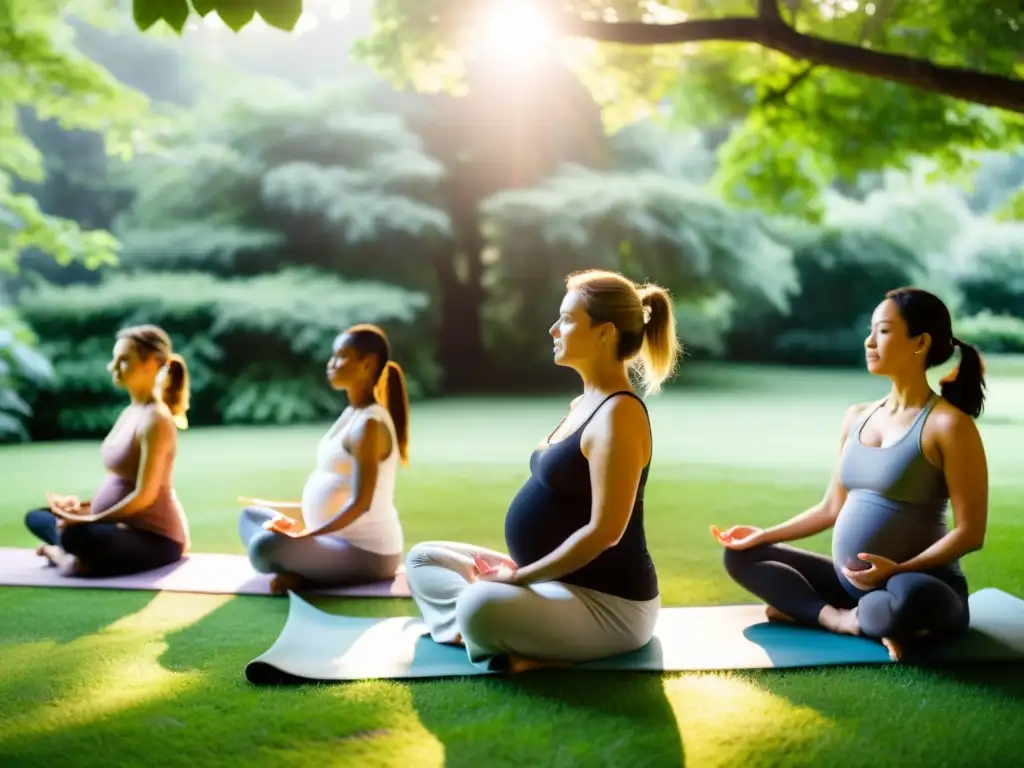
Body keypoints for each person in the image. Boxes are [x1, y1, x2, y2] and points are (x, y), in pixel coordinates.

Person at [404, 269, 682, 673]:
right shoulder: (583, 404)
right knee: (423, 559)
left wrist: (520, 580)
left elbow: (606, 532)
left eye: (567, 319)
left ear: (605, 333)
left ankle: (492, 630)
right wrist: (522, 577)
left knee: (477, 602)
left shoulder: (619, 414)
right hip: (550, 585)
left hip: (607, 605)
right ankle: (501, 638)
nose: (553, 329)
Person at [713, 287, 988, 661]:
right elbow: (831, 508)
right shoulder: (857, 416)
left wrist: (899, 568)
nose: (869, 341)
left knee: (908, 596)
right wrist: (763, 536)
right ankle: (842, 619)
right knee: (741, 557)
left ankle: (833, 613)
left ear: (919, 342)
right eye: (871, 330)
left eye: (884, 331)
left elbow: (970, 532)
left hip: (920, 584)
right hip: (852, 584)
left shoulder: (948, 425)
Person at [238, 324, 409, 595]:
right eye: (333, 356)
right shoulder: (351, 414)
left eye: (342, 356)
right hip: (330, 539)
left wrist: (307, 536)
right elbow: (334, 491)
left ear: (368, 364)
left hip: (366, 552)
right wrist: (282, 513)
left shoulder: (370, 425)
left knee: (264, 547)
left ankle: (304, 574)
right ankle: (305, 569)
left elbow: (361, 503)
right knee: (250, 516)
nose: (332, 364)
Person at [25, 325, 192, 577]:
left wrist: (90, 520)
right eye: (114, 359)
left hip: (157, 538)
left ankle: (64, 556)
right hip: (117, 525)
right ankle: (77, 557)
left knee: (75, 534)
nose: (112, 366)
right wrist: (78, 508)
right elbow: (120, 484)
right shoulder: (131, 412)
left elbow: (145, 496)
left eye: (123, 360)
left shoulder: (156, 420)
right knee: (38, 517)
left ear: (150, 364)